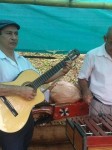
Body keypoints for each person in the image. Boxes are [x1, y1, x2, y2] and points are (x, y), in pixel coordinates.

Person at [0, 20, 72, 150]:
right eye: (9, 33)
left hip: (25, 115)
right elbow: (22, 89)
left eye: (16, 34)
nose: (14, 37)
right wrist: (20, 90)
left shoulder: (22, 60)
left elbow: (39, 79)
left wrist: (61, 72)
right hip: (5, 115)